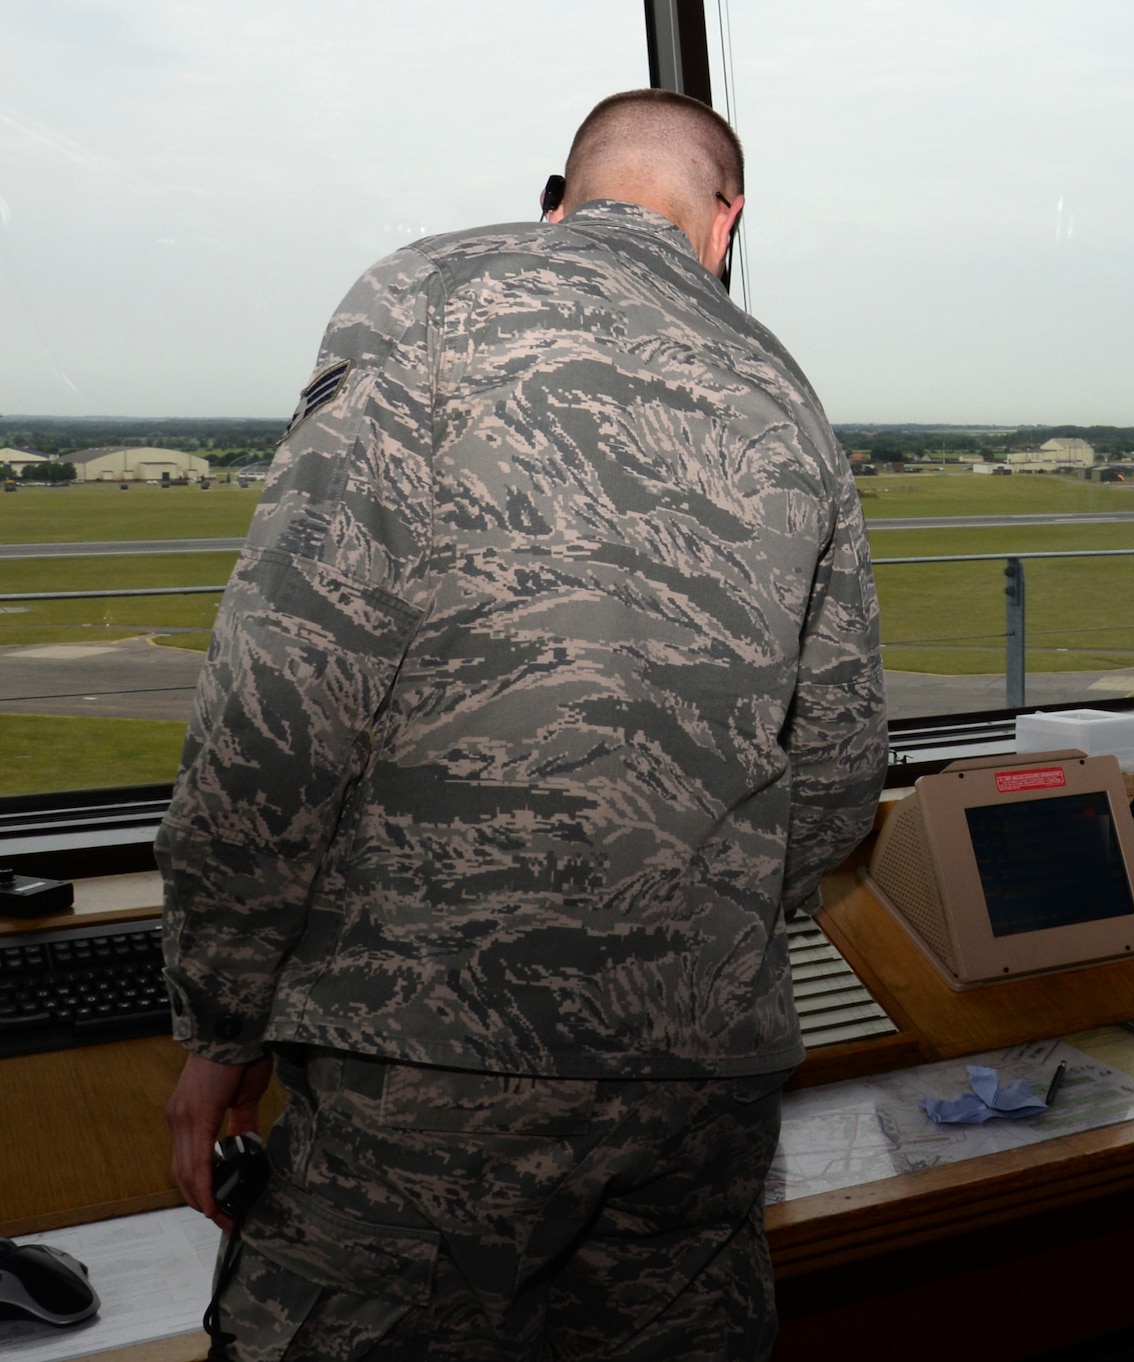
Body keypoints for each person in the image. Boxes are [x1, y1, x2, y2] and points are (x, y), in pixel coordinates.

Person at [158, 88, 887, 1360]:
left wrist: (223, 1015)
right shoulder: (791, 395)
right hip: (700, 1070)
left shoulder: (429, 299)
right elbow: (834, 766)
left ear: (558, 200)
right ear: (726, 222)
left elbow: (285, 694)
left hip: (433, 1054)